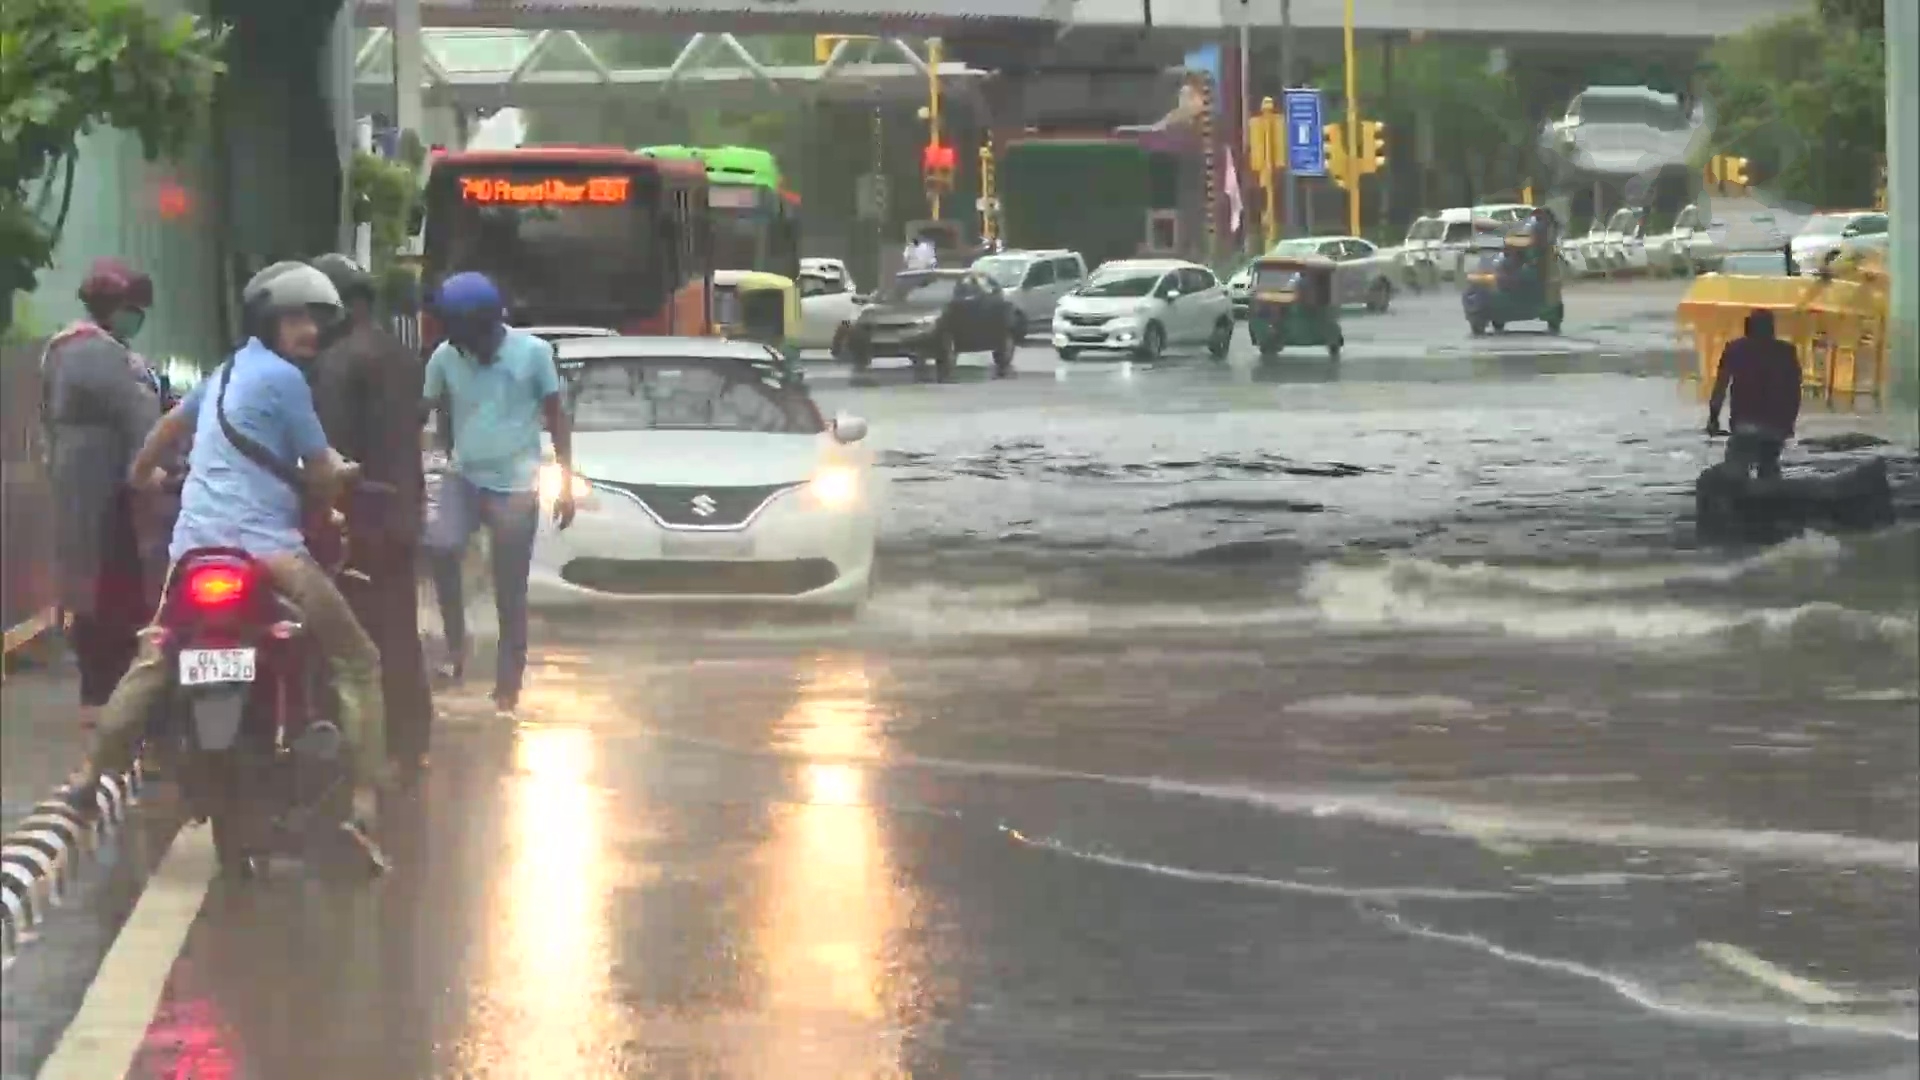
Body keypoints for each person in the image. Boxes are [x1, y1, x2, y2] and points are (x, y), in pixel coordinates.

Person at [69, 262, 389, 860]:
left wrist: (144, 476)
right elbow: (320, 472)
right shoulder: (288, 382)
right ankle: (366, 803)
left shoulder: (224, 373)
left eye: (316, 320)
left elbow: (168, 428)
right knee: (358, 658)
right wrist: (344, 480)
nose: (309, 331)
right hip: (269, 550)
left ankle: (91, 774)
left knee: (156, 654)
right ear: (269, 319)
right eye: (296, 318)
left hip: (194, 549)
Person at [421, 272, 575, 717]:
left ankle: (508, 685)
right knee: (441, 547)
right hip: (463, 477)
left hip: (515, 485)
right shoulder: (445, 357)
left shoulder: (533, 354)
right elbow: (426, 409)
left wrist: (564, 483)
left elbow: (556, 418)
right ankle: (456, 647)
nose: (472, 349)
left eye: (476, 339)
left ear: (491, 326)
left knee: (510, 588)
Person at [309, 254, 435, 783]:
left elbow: (327, 448)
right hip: (402, 513)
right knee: (399, 629)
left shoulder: (337, 363)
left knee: (346, 636)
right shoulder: (401, 354)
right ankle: (411, 743)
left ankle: (352, 747)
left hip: (358, 515)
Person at [40, 258, 163, 731]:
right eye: (133, 308)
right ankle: (105, 688)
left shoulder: (64, 347)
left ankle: (101, 686)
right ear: (114, 307)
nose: (137, 317)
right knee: (112, 584)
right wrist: (151, 466)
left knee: (91, 583)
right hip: (106, 483)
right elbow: (137, 414)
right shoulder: (99, 353)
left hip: (81, 480)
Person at [1708, 308, 1802, 481]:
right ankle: (1772, 500)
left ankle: (1737, 500)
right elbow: (1794, 391)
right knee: (1769, 467)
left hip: (1744, 426)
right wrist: (1789, 423)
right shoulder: (1786, 352)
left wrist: (1713, 418)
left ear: (1748, 327)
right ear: (1772, 328)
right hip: (1775, 427)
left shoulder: (1735, 349)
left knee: (1736, 468)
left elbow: (1720, 386)